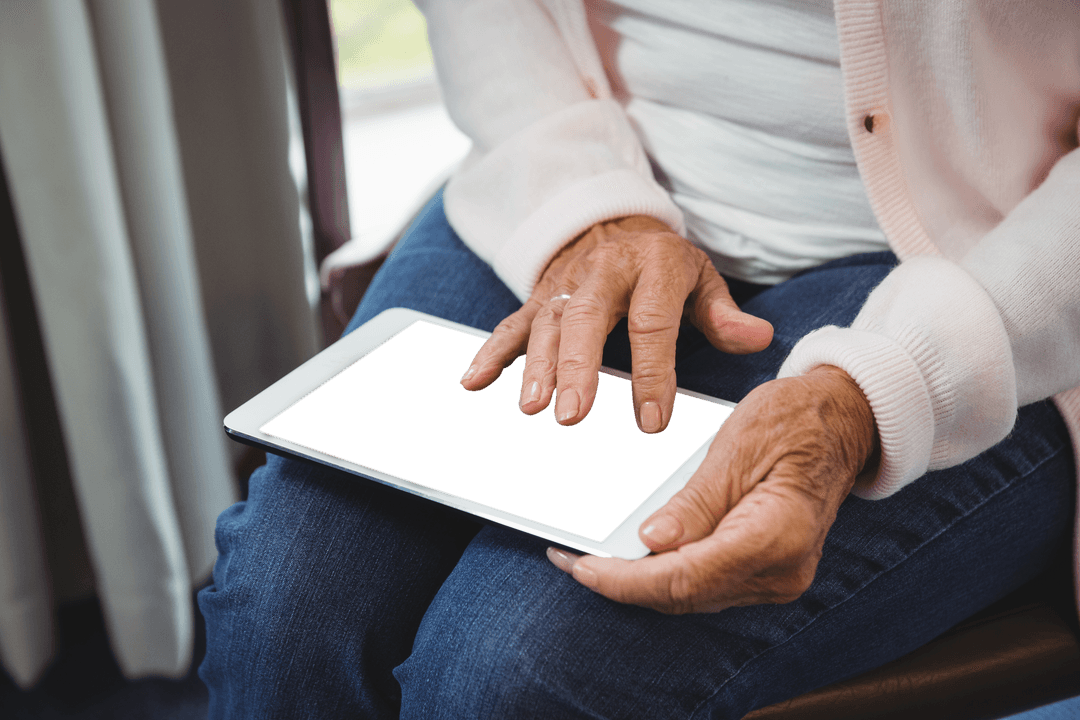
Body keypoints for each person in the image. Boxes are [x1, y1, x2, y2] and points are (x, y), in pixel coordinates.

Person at [198, 0, 1080, 717]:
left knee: (507, 673)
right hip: (568, 163)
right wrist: (587, 209)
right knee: (283, 610)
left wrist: (894, 383)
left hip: (974, 264)